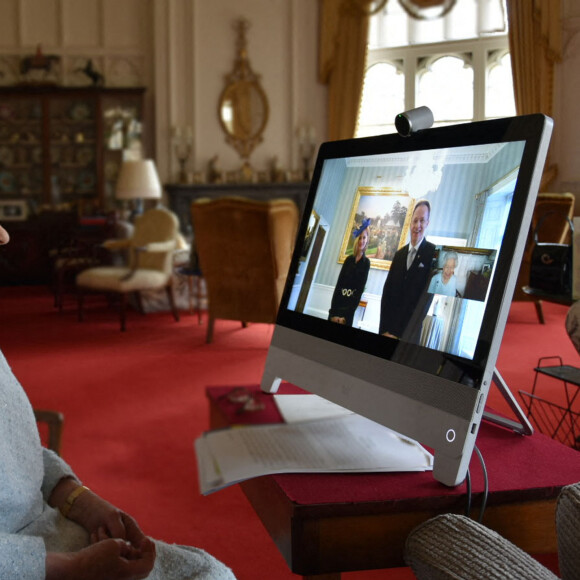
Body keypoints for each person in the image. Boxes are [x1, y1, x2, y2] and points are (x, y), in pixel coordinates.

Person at [0, 222, 235, 579]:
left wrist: (80, 500)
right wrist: (73, 568)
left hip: (49, 536)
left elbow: (18, 452)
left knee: (207, 572)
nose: (3, 235)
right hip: (28, 564)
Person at [379, 200, 436, 341]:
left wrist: (404, 335)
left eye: (422, 221)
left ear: (427, 223)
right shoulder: (398, 255)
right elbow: (387, 294)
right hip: (388, 332)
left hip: (409, 336)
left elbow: (425, 301)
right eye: (415, 220)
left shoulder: (433, 253)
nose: (418, 225)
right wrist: (384, 330)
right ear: (410, 222)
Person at [329, 218, 371, 326]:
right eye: (360, 238)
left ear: (367, 240)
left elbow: (359, 290)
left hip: (348, 311)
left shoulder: (366, 263)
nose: (361, 241)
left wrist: (346, 314)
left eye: (364, 238)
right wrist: (333, 312)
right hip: (337, 305)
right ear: (357, 239)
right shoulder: (348, 260)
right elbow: (339, 285)